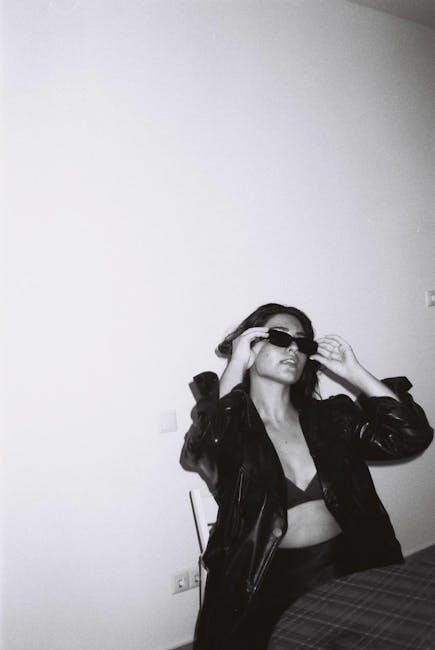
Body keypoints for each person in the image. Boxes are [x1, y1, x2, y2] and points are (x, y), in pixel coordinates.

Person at [180, 303, 433, 650]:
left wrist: (355, 372)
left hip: (349, 567)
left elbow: (409, 436)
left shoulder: (331, 417)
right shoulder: (232, 431)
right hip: (262, 582)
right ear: (250, 346)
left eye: (303, 343)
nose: (294, 349)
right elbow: (209, 444)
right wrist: (236, 364)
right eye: (280, 337)